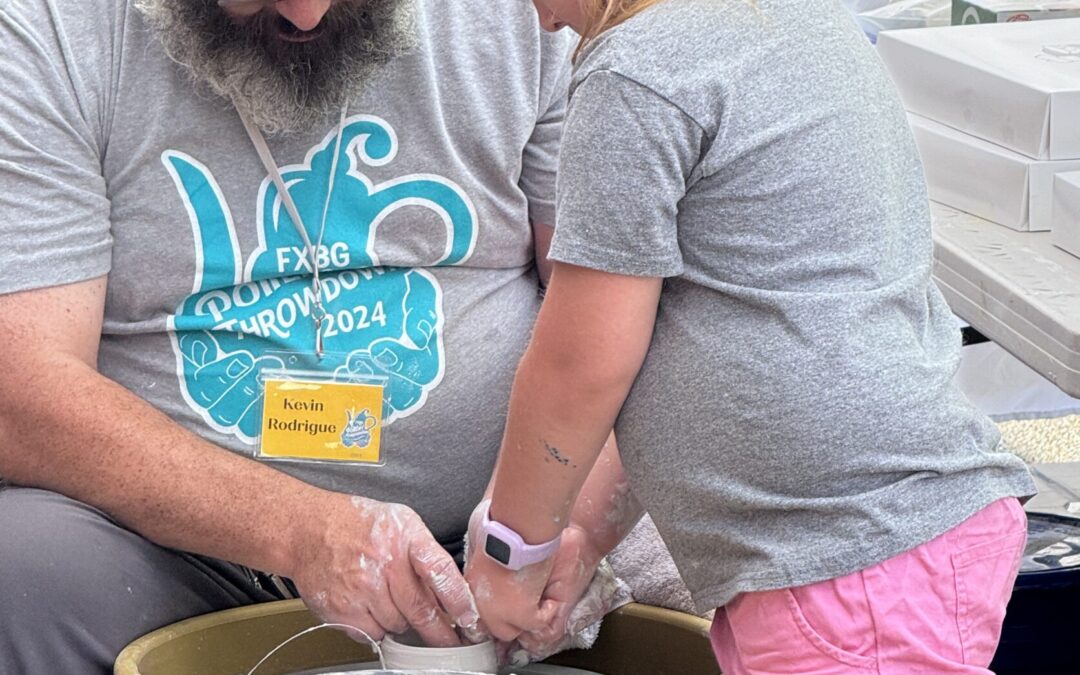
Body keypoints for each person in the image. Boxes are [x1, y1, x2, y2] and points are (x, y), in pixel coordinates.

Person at [0, 1, 626, 672]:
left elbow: (628, 314)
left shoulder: (537, 13)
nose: (306, 15)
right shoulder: (55, 26)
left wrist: (561, 528)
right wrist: (298, 529)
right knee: (20, 566)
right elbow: (23, 392)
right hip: (171, 554)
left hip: (494, 543)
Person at [465, 0, 1038, 673]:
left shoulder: (636, 74)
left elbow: (580, 367)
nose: (535, 17)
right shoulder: (793, 21)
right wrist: (583, 535)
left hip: (840, 563)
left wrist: (511, 552)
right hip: (882, 537)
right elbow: (695, 347)